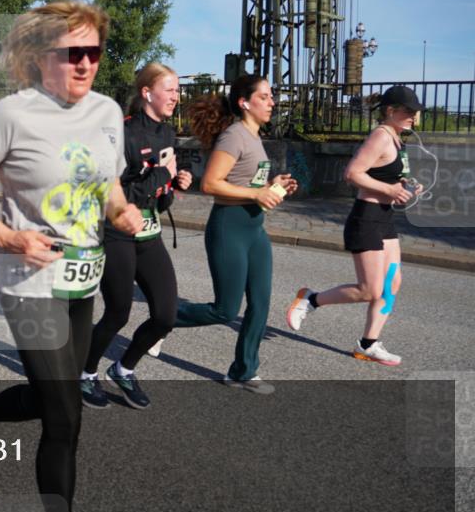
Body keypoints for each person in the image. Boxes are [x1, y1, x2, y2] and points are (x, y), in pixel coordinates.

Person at [0, 1, 143, 512]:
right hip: (27, 282)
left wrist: (121, 210)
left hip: (83, 279)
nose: (84, 63)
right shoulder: (11, 115)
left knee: (56, 396)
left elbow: (109, 187)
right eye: (70, 53)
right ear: (38, 58)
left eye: (93, 52)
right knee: (64, 416)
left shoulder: (104, 111)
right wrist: (7, 237)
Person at [173, 75, 298, 395]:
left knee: (260, 303)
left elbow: (249, 185)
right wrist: (257, 195)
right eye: (266, 97)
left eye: (272, 97)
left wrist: (274, 187)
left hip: (254, 229)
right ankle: (163, 319)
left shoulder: (255, 138)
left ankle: (243, 371)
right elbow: (211, 184)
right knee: (225, 310)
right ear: (245, 102)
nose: (272, 102)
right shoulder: (234, 136)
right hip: (229, 227)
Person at [80, 63, 192, 410]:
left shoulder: (168, 134)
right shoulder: (122, 133)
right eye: (170, 89)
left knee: (165, 315)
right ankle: (84, 374)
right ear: (147, 93)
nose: (176, 96)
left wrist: (176, 184)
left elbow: (161, 195)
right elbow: (117, 193)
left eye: (177, 90)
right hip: (116, 230)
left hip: (150, 232)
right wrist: (161, 175)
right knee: (118, 312)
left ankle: (124, 368)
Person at [286, 86, 422, 366]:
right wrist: (390, 189)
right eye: (408, 111)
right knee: (369, 290)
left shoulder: (397, 139)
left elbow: (384, 175)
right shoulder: (381, 136)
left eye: (416, 111)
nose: (414, 116)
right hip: (367, 219)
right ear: (390, 111)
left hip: (384, 218)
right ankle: (311, 299)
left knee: (392, 282)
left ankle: (368, 344)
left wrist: (406, 187)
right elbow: (352, 174)